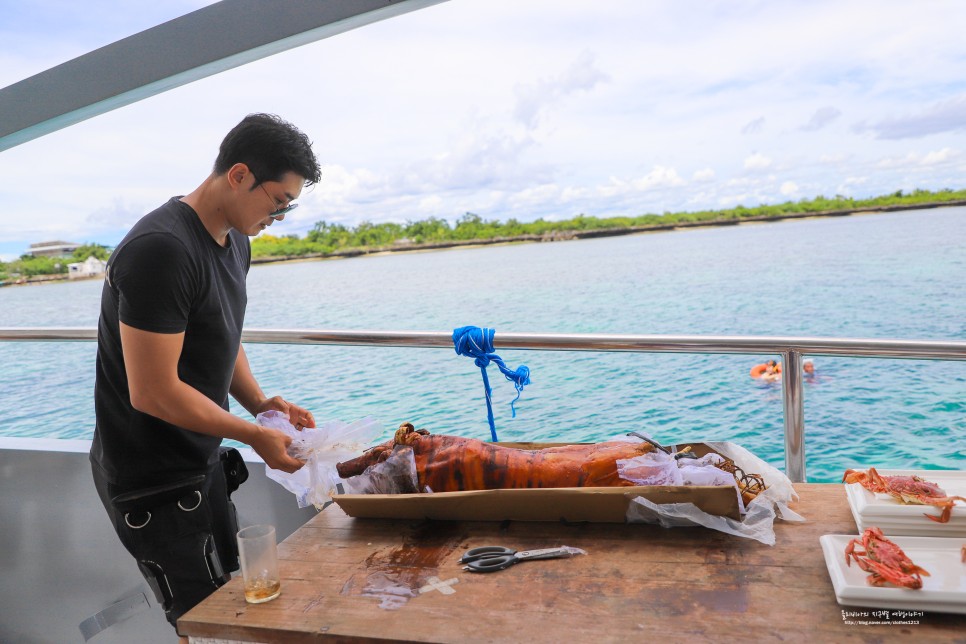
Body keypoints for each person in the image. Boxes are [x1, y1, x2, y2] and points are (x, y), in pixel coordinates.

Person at [89, 113, 322, 634]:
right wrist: (255, 434)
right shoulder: (160, 250)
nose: (277, 217)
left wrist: (259, 403)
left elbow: (222, 333)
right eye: (278, 203)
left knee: (234, 600)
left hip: (199, 459)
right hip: (150, 479)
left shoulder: (236, 238)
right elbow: (151, 392)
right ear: (239, 175)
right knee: (204, 622)